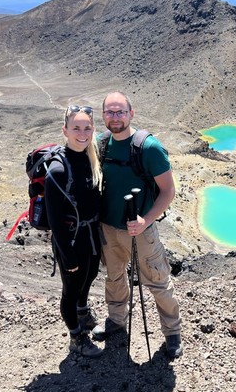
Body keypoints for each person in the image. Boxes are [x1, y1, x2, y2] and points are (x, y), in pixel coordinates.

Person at [92, 91, 183, 359]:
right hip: (109, 228)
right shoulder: (101, 144)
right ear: (103, 116)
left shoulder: (149, 148)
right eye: (110, 112)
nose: (115, 117)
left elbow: (168, 192)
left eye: (120, 111)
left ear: (131, 114)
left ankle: (172, 332)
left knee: (157, 280)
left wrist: (146, 220)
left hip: (142, 229)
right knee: (114, 277)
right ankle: (116, 321)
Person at [44, 104, 103, 358]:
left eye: (87, 127)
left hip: (90, 235)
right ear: (65, 131)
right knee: (70, 290)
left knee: (88, 278)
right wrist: (67, 256)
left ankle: (83, 312)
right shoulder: (58, 170)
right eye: (76, 128)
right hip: (71, 240)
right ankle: (76, 337)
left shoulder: (91, 157)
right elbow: (56, 221)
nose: (82, 133)